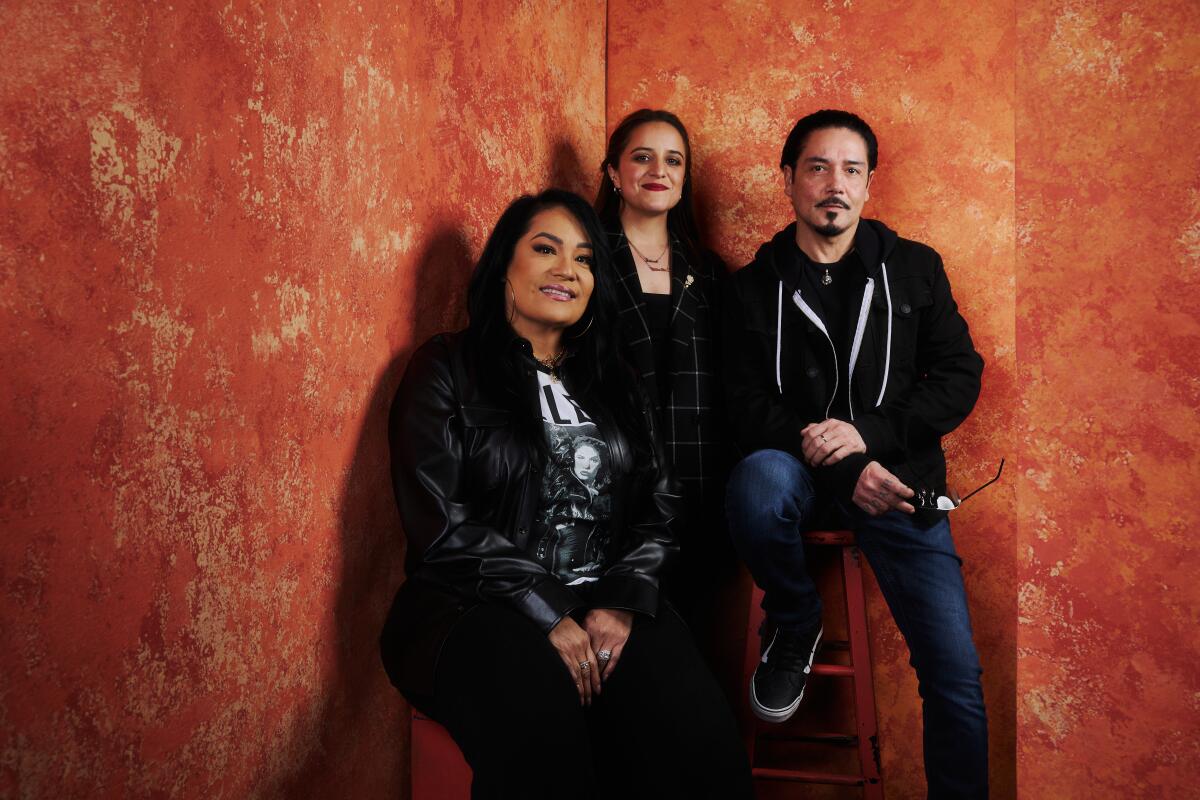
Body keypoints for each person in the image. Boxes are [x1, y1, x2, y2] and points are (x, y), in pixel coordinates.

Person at [380, 189, 752, 799]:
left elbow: (661, 506)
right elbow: (442, 527)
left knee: (701, 743)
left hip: (606, 602)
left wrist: (623, 599)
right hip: (472, 611)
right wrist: (544, 607)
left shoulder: (617, 382)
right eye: (546, 249)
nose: (567, 270)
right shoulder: (445, 367)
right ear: (505, 264)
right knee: (544, 737)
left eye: (583, 260)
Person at [722, 110, 989, 798]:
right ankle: (795, 619)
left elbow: (959, 376)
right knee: (755, 481)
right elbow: (746, 406)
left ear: (870, 184)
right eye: (816, 167)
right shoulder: (752, 288)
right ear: (788, 181)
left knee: (955, 678)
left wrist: (870, 435)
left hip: (899, 484)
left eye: (850, 169)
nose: (833, 184)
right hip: (798, 481)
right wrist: (845, 466)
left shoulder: (916, 269)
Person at [595, 109, 734, 643]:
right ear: (613, 172)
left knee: (691, 642)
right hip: (614, 487)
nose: (659, 170)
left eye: (673, 160)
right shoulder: (585, 261)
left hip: (698, 485)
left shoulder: (711, 271)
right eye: (642, 156)